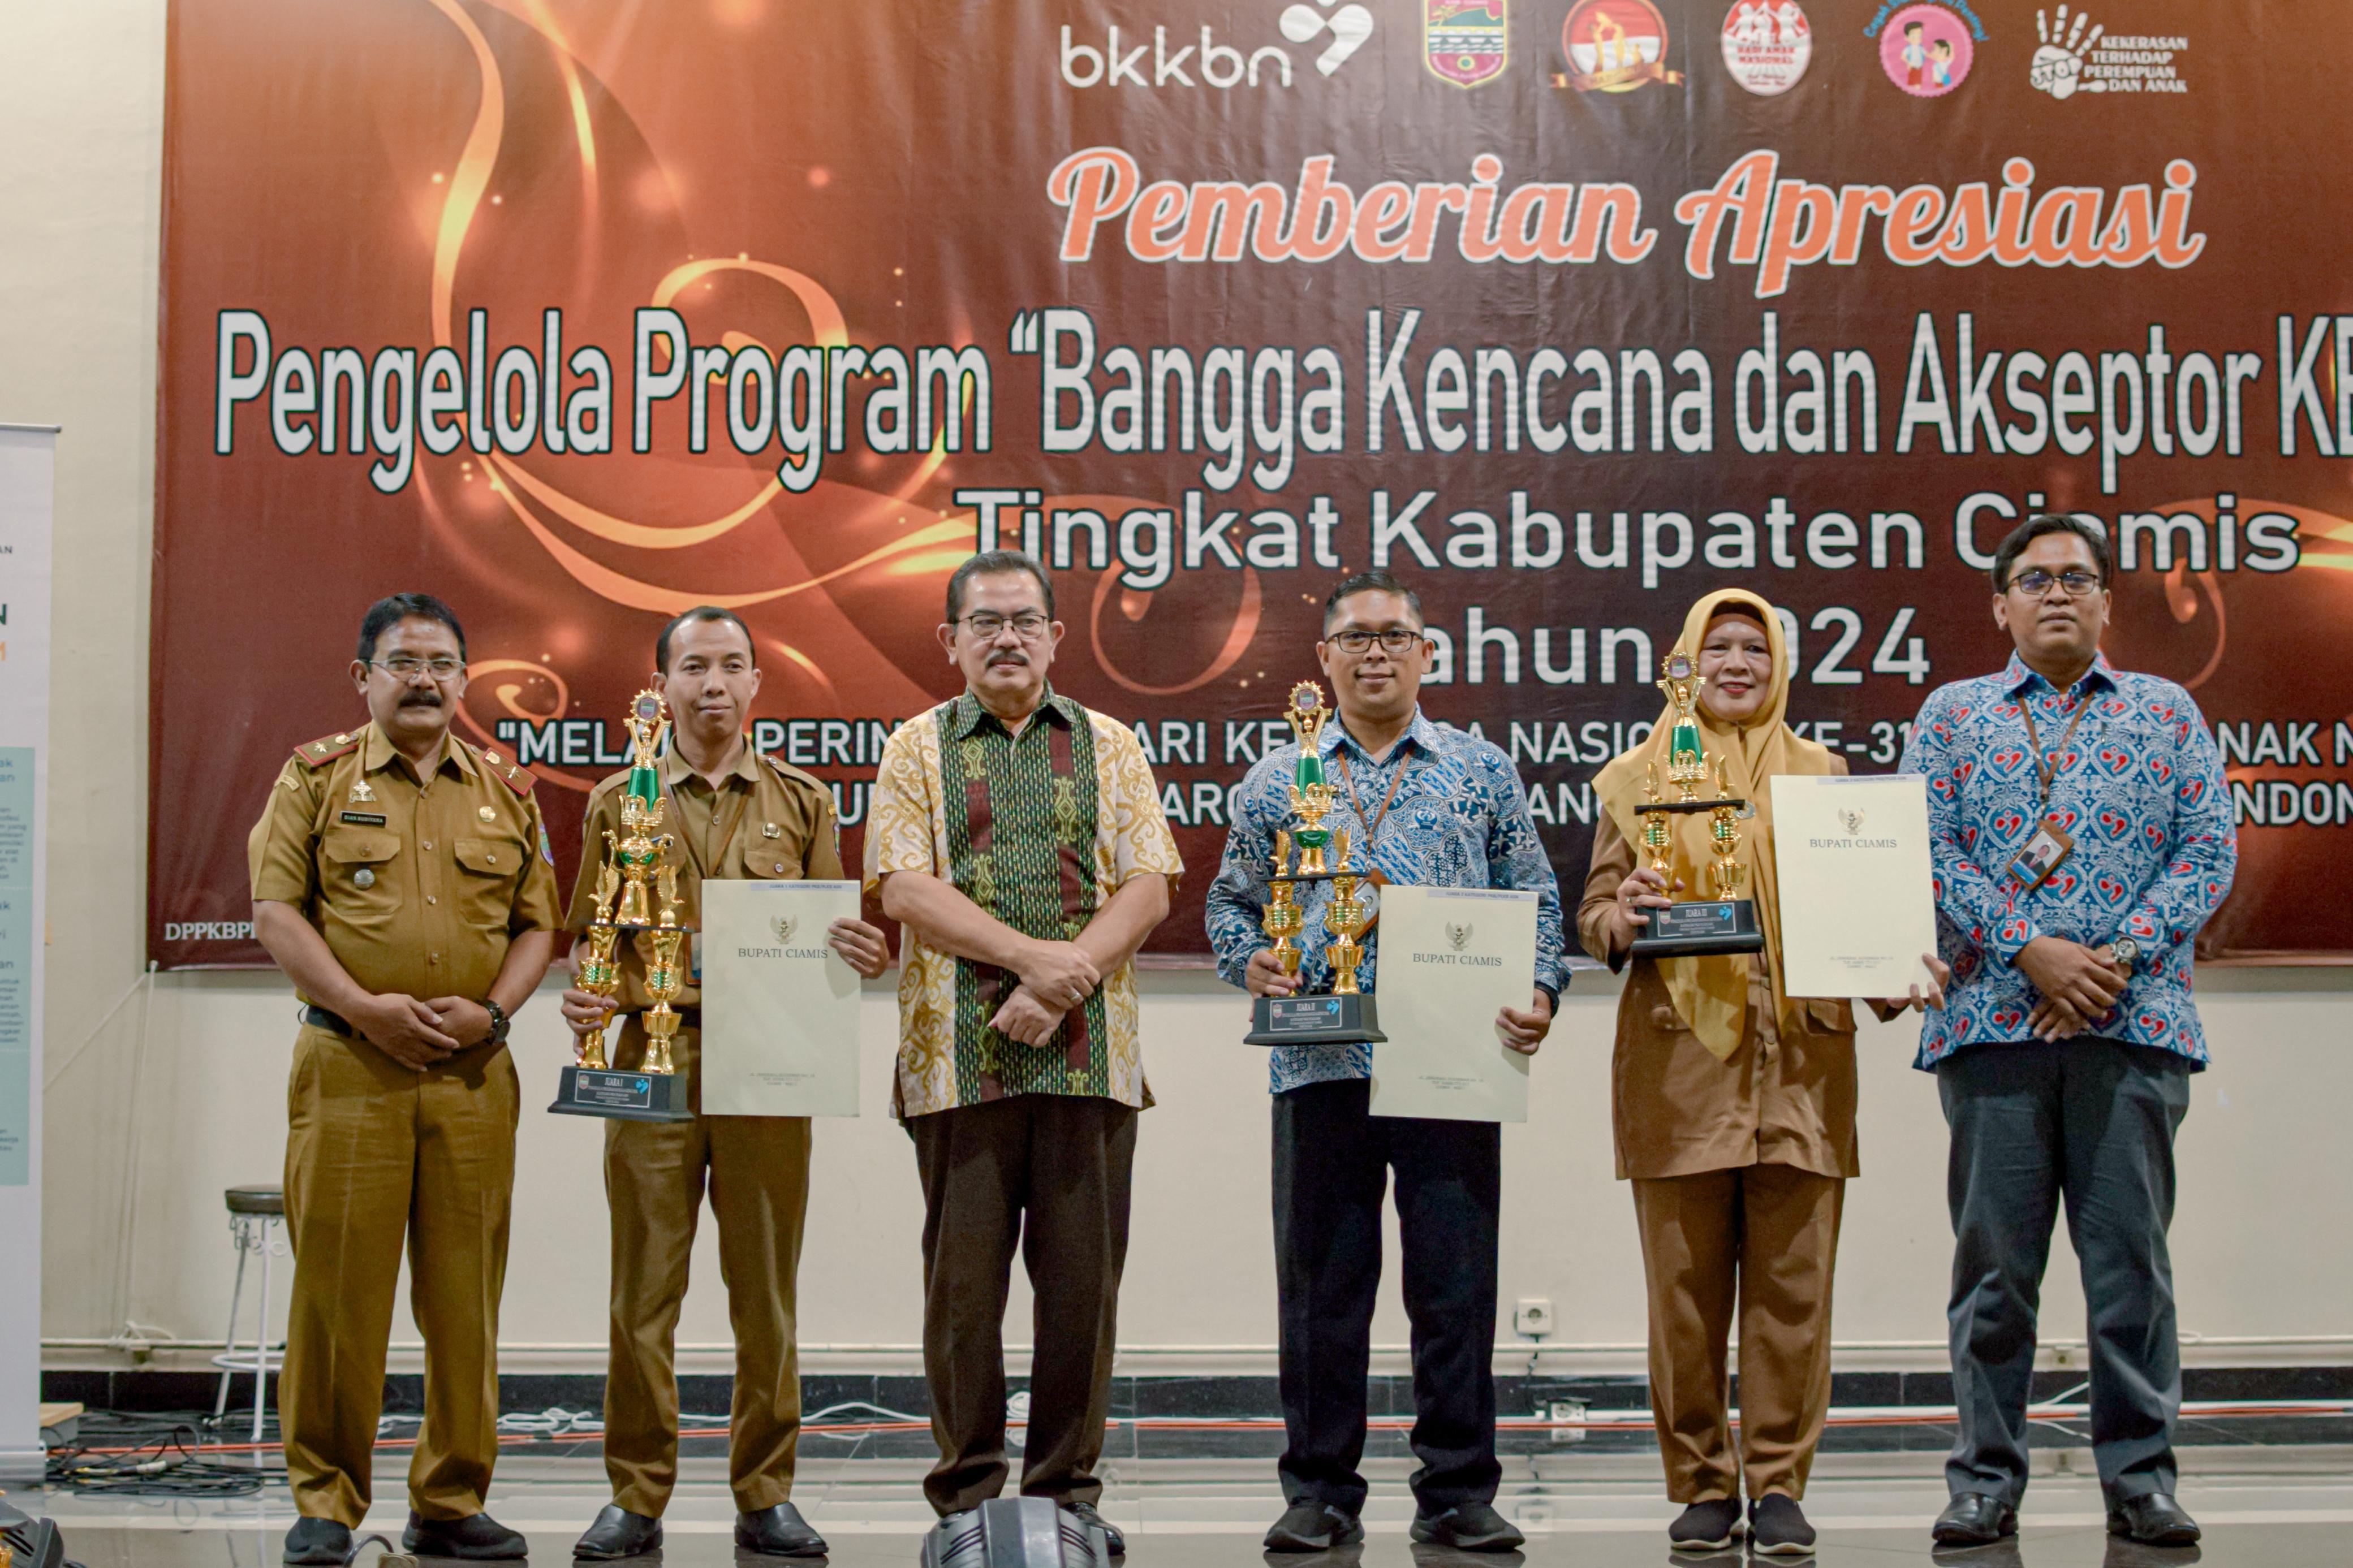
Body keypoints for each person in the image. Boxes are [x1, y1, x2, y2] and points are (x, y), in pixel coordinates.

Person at [1205, 570, 1566, 1555]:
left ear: (1427, 653)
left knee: (1454, 1286)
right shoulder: (1277, 779)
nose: (1375, 653)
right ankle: (1320, 1487)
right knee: (1324, 1287)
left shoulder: (1480, 771)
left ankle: (1458, 1487)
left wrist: (1541, 991)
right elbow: (1229, 904)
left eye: (1394, 637)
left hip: (1452, 1062)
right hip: (1320, 1059)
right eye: (1354, 638)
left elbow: (1534, 893)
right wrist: (1254, 960)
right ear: (1322, 659)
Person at [1581, 589, 1947, 1556]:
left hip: (1803, 1065)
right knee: (1685, 1298)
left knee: (1795, 1293)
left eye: (1755, 647)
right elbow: (1595, 914)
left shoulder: (1826, 776)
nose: (1736, 662)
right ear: (1686, 662)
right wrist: (1626, 910)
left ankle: (1780, 1482)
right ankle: (1703, 1483)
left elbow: (1861, 912)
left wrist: (1894, 974)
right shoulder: (1636, 777)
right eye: (1718, 647)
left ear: (1781, 663)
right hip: (1677, 1064)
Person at [1902, 515, 2235, 1550]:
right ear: (1999, 604)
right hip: (1994, 1027)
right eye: (2033, 579)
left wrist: (2108, 963)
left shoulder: (2166, 712)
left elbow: (2206, 850)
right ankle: (1984, 1481)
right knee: (1994, 1272)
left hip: (2132, 1027)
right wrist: (2029, 950)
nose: (2056, 593)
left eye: (2077, 578)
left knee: (2130, 1266)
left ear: (2105, 603)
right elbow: (1930, 846)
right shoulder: (1953, 717)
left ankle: (2141, 1479)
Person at [865, 550, 1180, 1555]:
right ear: (950, 640)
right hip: (959, 1060)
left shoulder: (1111, 743)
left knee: (1082, 1291)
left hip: (1093, 1061)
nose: (1007, 637)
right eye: (985, 621)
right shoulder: (915, 747)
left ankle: (1065, 1497)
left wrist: (1067, 979)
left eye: (1026, 620)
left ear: (1054, 635)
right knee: (964, 1292)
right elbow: (905, 890)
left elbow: (1150, 884)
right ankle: (966, 1502)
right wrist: (1034, 963)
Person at [562, 607, 891, 1561]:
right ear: (662, 684)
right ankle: (635, 1492)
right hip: (652, 1068)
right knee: (642, 1294)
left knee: (766, 1294)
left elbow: (835, 934)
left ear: (757, 684)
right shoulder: (619, 800)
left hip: (772, 1066)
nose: (714, 683)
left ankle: (766, 1490)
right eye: (694, 666)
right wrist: (590, 1001)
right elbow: (592, 936)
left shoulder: (803, 802)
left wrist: (861, 952)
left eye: (732, 666)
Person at [248, 594, 558, 1565]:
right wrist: (365, 1006)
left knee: (466, 1296)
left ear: (466, 680)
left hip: (473, 1076)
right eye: (402, 660)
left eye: (441, 662)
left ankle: (451, 1496)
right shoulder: (316, 778)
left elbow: (538, 924)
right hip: (350, 1068)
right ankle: (326, 1501)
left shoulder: (507, 788)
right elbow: (275, 911)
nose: (423, 678)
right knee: (338, 1295)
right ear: (364, 677)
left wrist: (496, 1013)